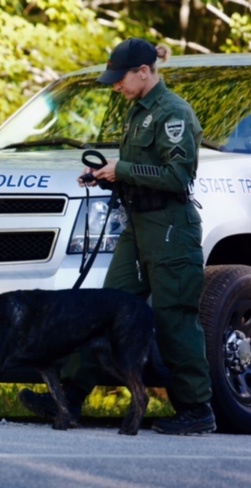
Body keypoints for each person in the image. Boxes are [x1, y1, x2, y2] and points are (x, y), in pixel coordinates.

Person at [19, 38, 216, 435]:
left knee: (174, 316)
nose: (115, 87)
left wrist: (121, 170)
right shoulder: (136, 111)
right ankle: (69, 399)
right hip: (138, 225)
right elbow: (140, 172)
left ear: (144, 72)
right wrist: (105, 177)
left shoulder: (173, 113)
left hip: (170, 229)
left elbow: (178, 177)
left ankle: (196, 409)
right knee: (102, 310)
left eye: (120, 79)